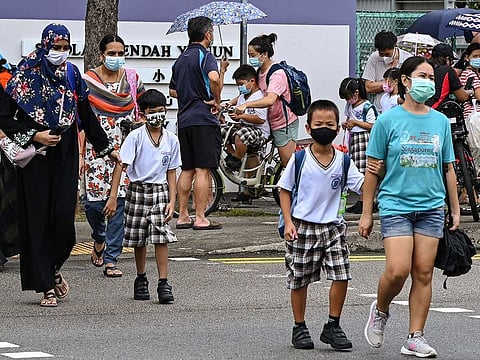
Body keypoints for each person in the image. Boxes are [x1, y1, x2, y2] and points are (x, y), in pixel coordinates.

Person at [0, 23, 121, 307]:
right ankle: (46, 286)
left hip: (65, 150)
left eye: (66, 48)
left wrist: (106, 149)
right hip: (37, 154)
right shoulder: (23, 77)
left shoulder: (71, 74)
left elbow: (84, 112)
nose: (61, 53)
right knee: (38, 218)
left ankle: (54, 266)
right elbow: (4, 117)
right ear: (44, 46)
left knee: (64, 218)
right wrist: (34, 134)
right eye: (56, 48)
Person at [359, 56, 460, 358]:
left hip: (431, 207)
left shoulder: (440, 121)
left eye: (431, 76)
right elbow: (372, 169)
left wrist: (454, 208)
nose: (429, 81)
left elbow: (449, 168)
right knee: (398, 270)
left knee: (424, 272)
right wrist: (366, 213)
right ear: (405, 80)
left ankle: (415, 336)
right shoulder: (387, 121)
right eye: (422, 76)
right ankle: (381, 309)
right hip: (396, 205)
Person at [278, 99, 364, 351]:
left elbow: (362, 186)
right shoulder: (299, 159)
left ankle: (333, 325)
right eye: (319, 124)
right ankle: (299, 326)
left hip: (333, 228)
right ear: (308, 128)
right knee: (299, 278)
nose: (324, 128)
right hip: (303, 226)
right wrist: (289, 221)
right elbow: (284, 189)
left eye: (329, 124)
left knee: (341, 274)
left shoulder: (344, 161)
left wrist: (376, 171)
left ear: (338, 129)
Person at [81, 34, 145, 278]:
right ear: (101, 54)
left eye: (121, 53)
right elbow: (81, 118)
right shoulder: (88, 80)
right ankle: (99, 237)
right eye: (112, 53)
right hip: (96, 150)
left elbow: (142, 107)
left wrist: (140, 122)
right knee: (93, 205)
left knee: (119, 204)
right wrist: (79, 153)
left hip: (125, 147)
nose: (117, 58)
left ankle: (111, 259)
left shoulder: (131, 79)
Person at [110, 89, 181, 303]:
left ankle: (163, 282)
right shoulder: (136, 137)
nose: (157, 116)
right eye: (152, 112)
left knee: (161, 236)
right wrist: (114, 196)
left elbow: (171, 171)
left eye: (161, 111)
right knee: (138, 238)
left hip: (159, 190)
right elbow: (122, 165)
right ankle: (141, 277)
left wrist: (172, 200)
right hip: (137, 189)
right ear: (142, 114)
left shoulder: (171, 140)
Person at [169, 16, 229, 230]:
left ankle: (183, 215)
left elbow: (173, 90)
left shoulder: (181, 59)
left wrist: (221, 72)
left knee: (187, 169)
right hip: (203, 118)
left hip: (184, 119)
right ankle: (201, 217)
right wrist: (217, 101)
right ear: (208, 35)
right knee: (203, 169)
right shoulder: (206, 56)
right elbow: (213, 79)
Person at [235, 33, 298, 167]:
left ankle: (295, 188)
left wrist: (246, 105)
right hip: (266, 123)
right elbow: (251, 92)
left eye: (253, 55)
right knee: (252, 154)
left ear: (264, 54)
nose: (250, 58)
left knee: (288, 165)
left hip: (283, 124)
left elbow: (270, 99)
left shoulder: (277, 74)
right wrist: (231, 102)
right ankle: (252, 188)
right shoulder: (259, 72)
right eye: (249, 55)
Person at [221, 64, 269, 202]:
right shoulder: (243, 95)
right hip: (246, 127)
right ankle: (234, 156)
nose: (239, 87)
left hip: (259, 131)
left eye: (241, 84)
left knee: (240, 134)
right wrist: (228, 106)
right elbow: (236, 101)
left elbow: (260, 119)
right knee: (222, 131)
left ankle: (236, 159)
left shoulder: (258, 96)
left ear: (252, 81)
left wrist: (241, 116)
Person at [338, 77, 377, 213]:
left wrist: (355, 123)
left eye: (348, 97)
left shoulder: (366, 106)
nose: (348, 100)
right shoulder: (349, 106)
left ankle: (366, 201)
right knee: (358, 169)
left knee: (364, 170)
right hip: (354, 139)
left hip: (364, 139)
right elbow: (350, 119)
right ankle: (364, 200)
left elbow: (372, 125)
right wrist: (347, 124)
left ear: (356, 93)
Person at [362, 30, 412, 110]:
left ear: (394, 46)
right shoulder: (374, 58)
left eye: (387, 54)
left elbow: (410, 85)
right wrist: (389, 84)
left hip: (401, 108)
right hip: (380, 108)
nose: (384, 56)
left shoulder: (407, 58)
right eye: (381, 54)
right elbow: (368, 87)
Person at [426, 43, 472, 109]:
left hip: (420, 108)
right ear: (447, 59)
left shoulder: (424, 67)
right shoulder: (447, 70)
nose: (452, 63)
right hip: (437, 109)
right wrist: (471, 92)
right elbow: (462, 97)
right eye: (452, 61)